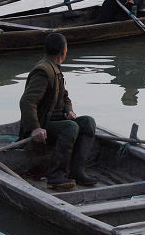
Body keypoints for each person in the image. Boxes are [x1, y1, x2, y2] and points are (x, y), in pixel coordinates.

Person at [19, 32, 98, 191]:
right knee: (71, 127)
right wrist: (35, 128)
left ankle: (77, 171)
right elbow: (27, 101)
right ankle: (56, 177)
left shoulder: (55, 68)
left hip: (58, 121)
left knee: (88, 122)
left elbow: (65, 96)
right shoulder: (43, 71)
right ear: (64, 51)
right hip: (44, 125)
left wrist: (69, 110)